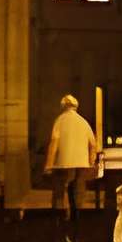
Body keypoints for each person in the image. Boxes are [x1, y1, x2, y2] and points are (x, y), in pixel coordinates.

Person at [44, 91, 98, 224]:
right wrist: (91, 161)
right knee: (78, 189)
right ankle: (76, 214)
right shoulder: (83, 122)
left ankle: (59, 215)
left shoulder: (60, 121)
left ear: (63, 106)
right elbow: (93, 144)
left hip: (63, 163)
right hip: (81, 163)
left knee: (59, 188)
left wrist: (49, 164)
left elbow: (54, 142)